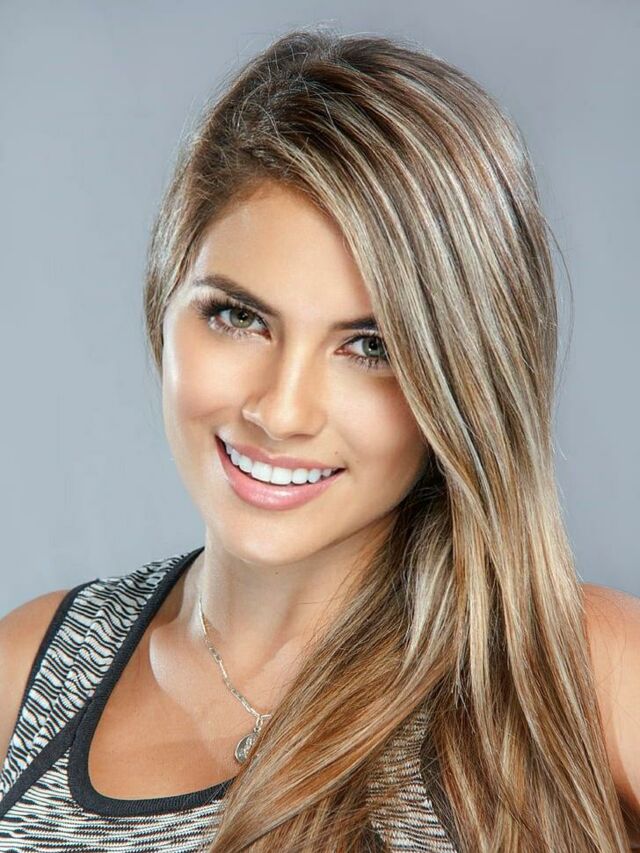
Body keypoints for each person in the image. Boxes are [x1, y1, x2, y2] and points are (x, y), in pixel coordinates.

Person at [0, 26, 638, 853]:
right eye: (238, 315)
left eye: (370, 345)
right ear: (164, 300)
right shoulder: (33, 675)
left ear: (464, 377)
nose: (282, 410)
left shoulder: (577, 672)